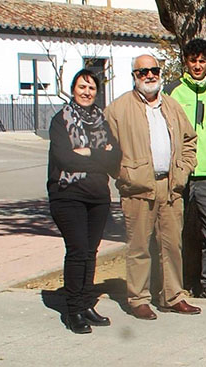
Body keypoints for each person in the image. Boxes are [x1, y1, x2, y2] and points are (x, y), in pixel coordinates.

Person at [105, 55, 200, 320]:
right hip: (137, 189)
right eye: (142, 71)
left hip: (170, 187)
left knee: (172, 245)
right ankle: (139, 299)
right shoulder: (118, 109)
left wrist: (183, 170)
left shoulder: (171, 105)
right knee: (139, 247)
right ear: (134, 75)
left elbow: (190, 140)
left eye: (154, 70)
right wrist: (124, 174)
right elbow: (106, 148)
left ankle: (173, 296)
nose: (149, 75)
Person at [47, 69, 121, 333]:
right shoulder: (61, 121)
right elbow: (64, 158)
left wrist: (89, 151)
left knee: (91, 251)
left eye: (91, 88)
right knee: (78, 250)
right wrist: (100, 156)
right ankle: (73, 310)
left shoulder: (102, 121)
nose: (86, 92)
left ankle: (87, 303)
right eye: (82, 87)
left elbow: (115, 159)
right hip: (68, 195)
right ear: (73, 89)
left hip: (98, 196)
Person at [164, 38, 206, 299]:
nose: (198, 66)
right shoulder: (172, 92)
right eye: (193, 61)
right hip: (180, 175)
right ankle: (182, 282)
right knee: (178, 234)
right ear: (185, 62)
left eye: (202, 61)